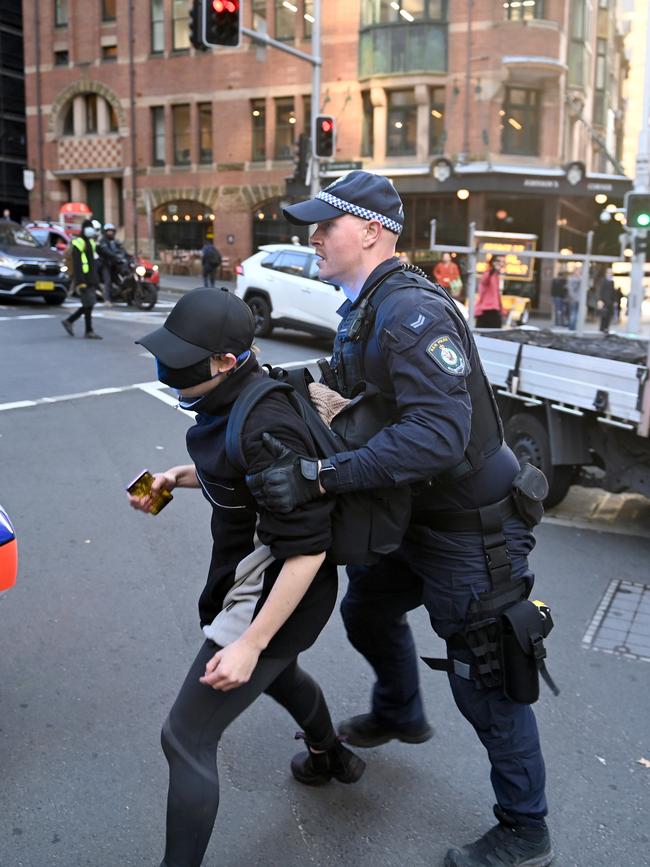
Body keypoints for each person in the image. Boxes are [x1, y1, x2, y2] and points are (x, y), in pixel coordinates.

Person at [245, 171, 553, 867]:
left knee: (487, 677)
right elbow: (354, 381)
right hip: (418, 514)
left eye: (327, 225)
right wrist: (276, 387)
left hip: (473, 528)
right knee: (369, 607)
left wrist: (323, 473)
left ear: (372, 232)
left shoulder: (412, 312)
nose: (313, 236)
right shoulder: (366, 303)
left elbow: (437, 435)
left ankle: (526, 829)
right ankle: (400, 711)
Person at [130, 288, 365, 867]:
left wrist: (248, 643)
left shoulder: (266, 423)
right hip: (250, 579)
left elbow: (308, 550)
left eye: (182, 357)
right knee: (280, 677)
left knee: (184, 738)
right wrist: (174, 478)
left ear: (225, 363)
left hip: (272, 591)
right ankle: (331, 754)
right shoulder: (228, 403)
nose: (168, 366)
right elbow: (237, 473)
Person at [61, 218, 102, 339]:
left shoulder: (91, 242)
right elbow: (78, 264)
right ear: (84, 229)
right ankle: (72, 322)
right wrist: (80, 282)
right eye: (88, 227)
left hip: (90, 278)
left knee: (89, 304)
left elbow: (93, 262)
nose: (90, 230)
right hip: (83, 279)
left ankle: (85, 329)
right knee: (88, 304)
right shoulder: (79, 242)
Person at [97, 223, 126, 305]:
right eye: (108, 231)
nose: (110, 233)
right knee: (108, 280)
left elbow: (122, 249)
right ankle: (107, 299)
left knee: (121, 278)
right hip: (105, 264)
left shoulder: (115, 241)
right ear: (105, 232)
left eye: (112, 231)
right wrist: (115, 255)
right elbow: (106, 251)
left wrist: (128, 255)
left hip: (115, 264)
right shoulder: (103, 241)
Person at [475, 255, 504, 328]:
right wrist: (493, 269)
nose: (501, 263)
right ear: (493, 262)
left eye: (503, 261)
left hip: (494, 309)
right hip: (487, 309)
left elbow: (497, 294)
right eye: (498, 261)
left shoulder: (496, 275)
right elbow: (485, 280)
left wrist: (501, 308)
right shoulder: (489, 273)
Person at [597, 268, 616, 334]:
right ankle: (602, 328)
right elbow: (600, 291)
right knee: (604, 315)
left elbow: (613, 292)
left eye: (611, 273)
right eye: (609, 272)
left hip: (610, 301)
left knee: (609, 315)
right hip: (604, 301)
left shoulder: (612, 281)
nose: (610, 274)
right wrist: (600, 300)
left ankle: (606, 328)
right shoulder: (603, 281)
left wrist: (614, 301)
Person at [566, 266, 582, 331]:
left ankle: (575, 327)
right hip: (573, 299)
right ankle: (571, 327)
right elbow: (570, 289)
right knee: (573, 313)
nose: (578, 272)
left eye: (579, 271)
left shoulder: (581, 279)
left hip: (579, 299)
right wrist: (573, 297)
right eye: (577, 271)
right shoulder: (570, 279)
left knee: (578, 314)